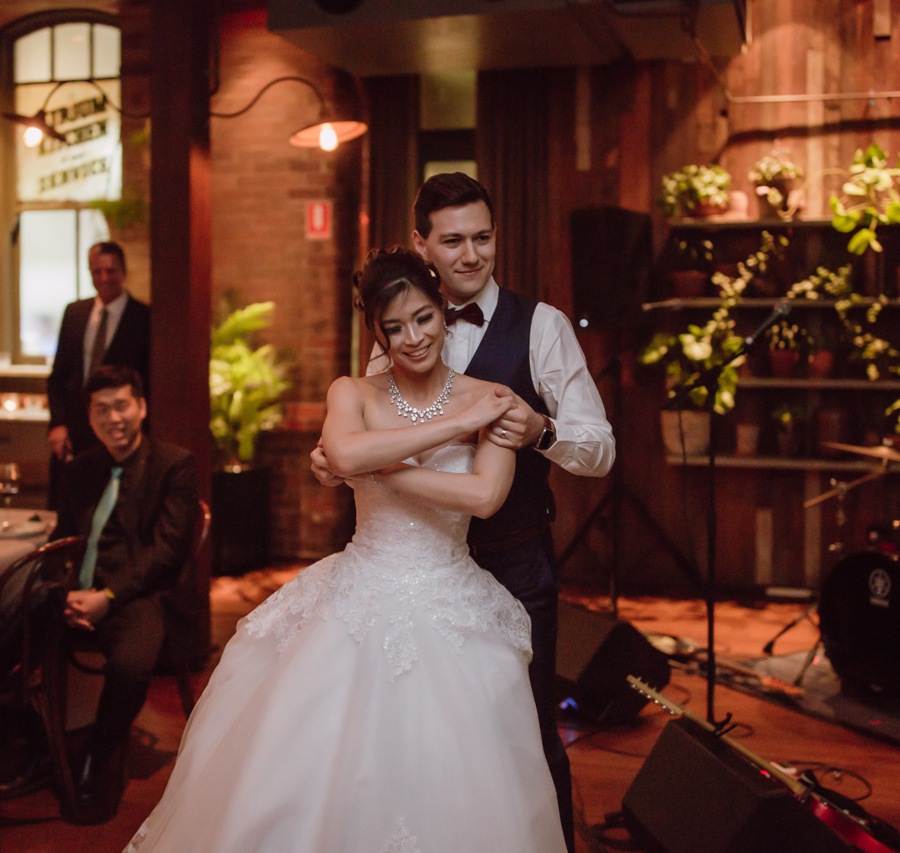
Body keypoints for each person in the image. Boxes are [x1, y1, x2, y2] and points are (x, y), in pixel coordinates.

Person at [123, 248, 566, 853]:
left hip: (451, 597)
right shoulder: (353, 392)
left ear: (443, 311)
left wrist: (382, 467)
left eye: (423, 319)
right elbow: (347, 456)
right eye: (393, 327)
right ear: (376, 333)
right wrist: (450, 428)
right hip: (359, 587)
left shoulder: (493, 393)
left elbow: (484, 496)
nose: (412, 338)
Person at [312, 173, 616, 851]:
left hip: (513, 561)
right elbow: (368, 430)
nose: (472, 255)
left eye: (483, 237)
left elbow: (600, 450)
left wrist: (541, 428)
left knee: (526, 737)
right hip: (404, 569)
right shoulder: (397, 324)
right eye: (453, 241)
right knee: (404, 742)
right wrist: (333, 463)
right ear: (423, 245)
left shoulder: (542, 327)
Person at [50, 365, 197, 823]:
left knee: (132, 664)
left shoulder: (173, 464)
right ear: (89, 418)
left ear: (141, 407)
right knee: (12, 627)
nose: (113, 418)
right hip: (78, 592)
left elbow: (166, 551)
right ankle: (41, 747)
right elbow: (62, 535)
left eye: (121, 406)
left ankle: (97, 753)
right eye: (101, 410)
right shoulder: (79, 470)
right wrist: (65, 592)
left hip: (137, 594)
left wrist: (108, 597)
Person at [46, 242, 151, 508]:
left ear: (124, 272)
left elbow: (146, 379)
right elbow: (58, 375)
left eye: (111, 271)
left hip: (116, 428)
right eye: (97, 272)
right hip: (74, 430)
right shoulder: (75, 313)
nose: (104, 278)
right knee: (70, 503)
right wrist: (58, 424)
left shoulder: (143, 317)